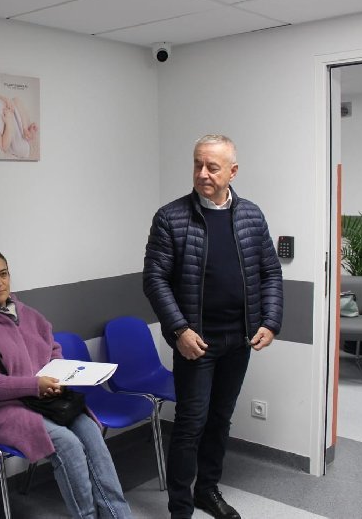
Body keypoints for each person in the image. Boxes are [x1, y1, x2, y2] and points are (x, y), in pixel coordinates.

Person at [143, 135, 283, 519]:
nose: (202, 173)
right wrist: (179, 330)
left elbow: (270, 272)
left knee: (220, 419)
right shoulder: (170, 217)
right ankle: (180, 508)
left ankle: (206, 491)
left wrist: (271, 321)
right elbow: (154, 279)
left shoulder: (251, 215)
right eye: (197, 164)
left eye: (212, 167)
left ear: (232, 172)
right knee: (190, 424)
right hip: (196, 342)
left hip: (239, 338)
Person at [0, 249, 132, 519]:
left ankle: (118, 515)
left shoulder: (29, 314)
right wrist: (33, 385)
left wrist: (59, 375)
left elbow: (52, 349)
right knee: (67, 443)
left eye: (3, 274)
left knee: (91, 431)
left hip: (43, 401)